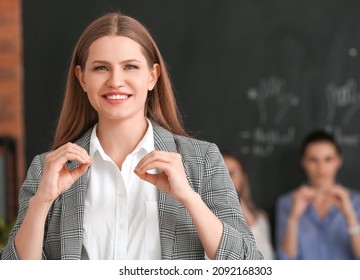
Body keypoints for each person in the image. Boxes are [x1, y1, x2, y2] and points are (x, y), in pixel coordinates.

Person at [0, 12, 262, 260]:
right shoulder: (48, 168)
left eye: (130, 67)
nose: (115, 81)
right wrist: (41, 202)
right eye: (101, 68)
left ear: (152, 76)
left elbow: (248, 264)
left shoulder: (202, 160)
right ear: (82, 79)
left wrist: (189, 198)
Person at [275, 129, 360, 259]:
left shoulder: (357, 201)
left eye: (328, 159)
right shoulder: (287, 202)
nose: (321, 167)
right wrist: (293, 218)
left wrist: (350, 215)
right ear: (303, 161)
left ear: (338, 161)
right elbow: (285, 260)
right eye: (313, 160)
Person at [222, 150, 274, 259]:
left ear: (243, 178)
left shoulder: (259, 217)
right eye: (221, 173)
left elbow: (266, 257)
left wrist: (239, 203)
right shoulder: (200, 214)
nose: (225, 179)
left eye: (231, 173)